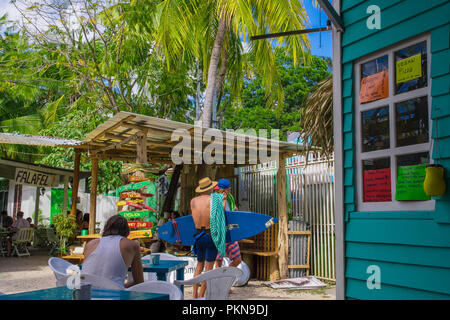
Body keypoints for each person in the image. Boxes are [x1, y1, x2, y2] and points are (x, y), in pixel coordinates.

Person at [82, 215, 144, 288]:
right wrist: (118, 287)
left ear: (106, 228)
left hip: (84, 293)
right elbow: (139, 281)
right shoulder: (131, 245)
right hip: (113, 295)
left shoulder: (90, 244)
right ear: (127, 230)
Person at [190, 177, 219, 298]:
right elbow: (220, 214)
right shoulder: (213, 200)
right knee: (209, 267)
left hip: (198, 236)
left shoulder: (193, 201)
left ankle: (194, 295)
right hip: (209, 235)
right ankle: (202, 296)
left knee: (199, 265)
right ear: (210, 188)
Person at [214, 178, 242, 268]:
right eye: (228, 189)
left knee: (237, 259)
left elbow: (234, 211)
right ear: (223, 189)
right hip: (220, 233)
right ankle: (218, 280)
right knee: (218, 260)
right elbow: (218, 215)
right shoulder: (215, 199)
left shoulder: (230, 198)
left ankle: (225, 275)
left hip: (230, 232)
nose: (230, 190)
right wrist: (223, 200)